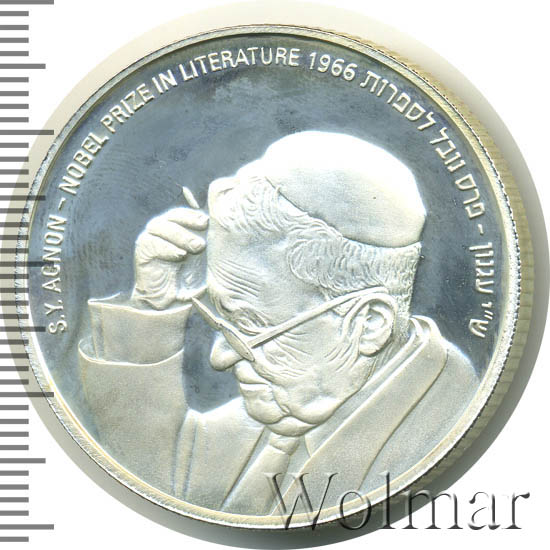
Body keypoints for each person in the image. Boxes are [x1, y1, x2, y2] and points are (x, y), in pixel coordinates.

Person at [79, 131, 478, 516]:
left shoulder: (442, 434)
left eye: (251, 324)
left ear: (369, 325)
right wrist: (151, 304)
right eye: (222, 317)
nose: (219, 357)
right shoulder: (309, 395)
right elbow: (163, 480)